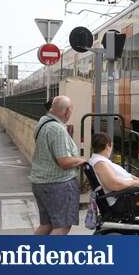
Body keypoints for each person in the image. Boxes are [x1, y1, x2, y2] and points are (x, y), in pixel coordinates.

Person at [30, 96, 86, 235]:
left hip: (40, 183)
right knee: (62, 227)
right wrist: (82, 160)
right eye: (71, 111)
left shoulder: (42, 123)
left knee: (46, 225)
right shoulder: (58, 130)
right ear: (67, 111)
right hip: (58, 185)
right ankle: (52, 255)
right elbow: (64, 162)